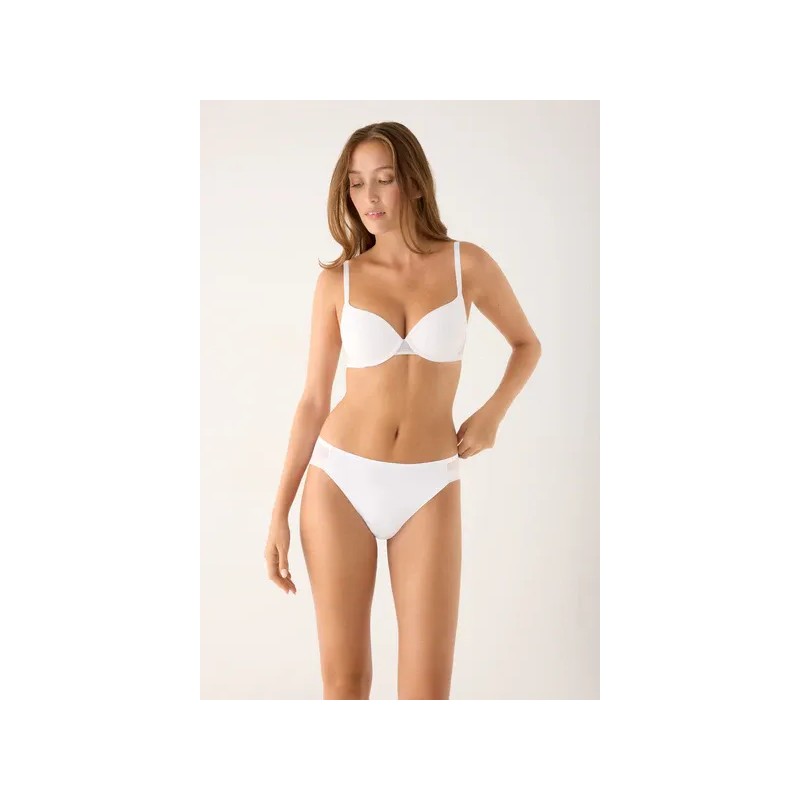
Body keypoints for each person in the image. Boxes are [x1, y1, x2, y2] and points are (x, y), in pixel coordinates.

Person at [264, 121, 542, 700]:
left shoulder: (467, 265)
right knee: (346, 683)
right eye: (356, 183)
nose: (369, 197)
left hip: (429, 483)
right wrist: (278, 513)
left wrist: (492, 414)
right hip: (340, 480)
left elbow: (526, 345)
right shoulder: (338, 281)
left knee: (426, 691)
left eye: (384, 179)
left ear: (412, 183)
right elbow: (313, 400)